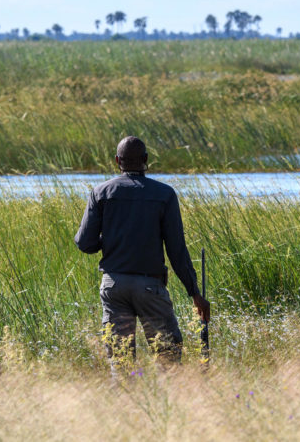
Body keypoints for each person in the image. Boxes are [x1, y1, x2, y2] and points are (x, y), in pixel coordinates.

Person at [74, 136, 210, 368]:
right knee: (168, 357)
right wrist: (195, 293)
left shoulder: (101, 192)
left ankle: (124, 400)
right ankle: (165, 401)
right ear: (146, 159)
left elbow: (84, 243)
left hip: (113, 286)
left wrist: (109, 238)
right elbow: (177, 250)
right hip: (150, 287)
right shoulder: (164, 194)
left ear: (117, 160)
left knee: (121, 360)